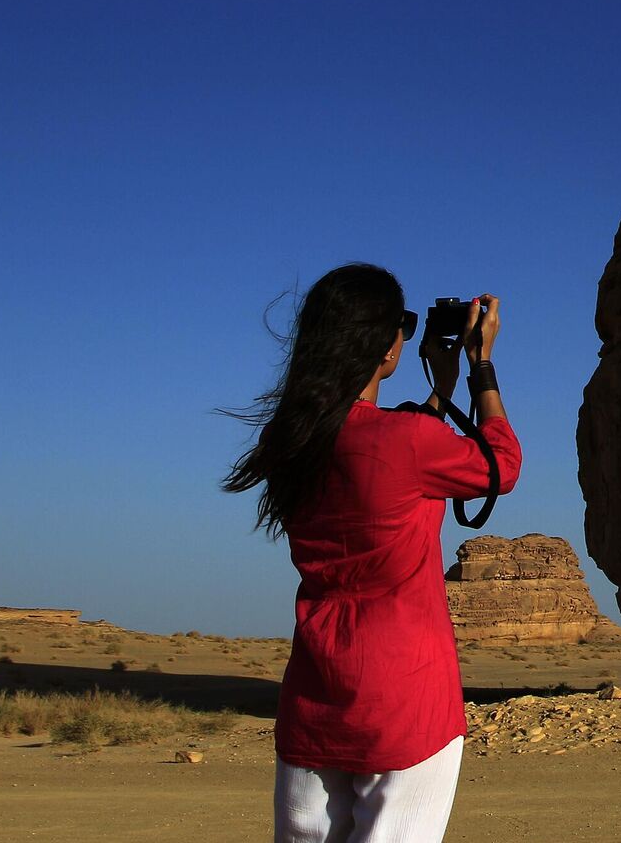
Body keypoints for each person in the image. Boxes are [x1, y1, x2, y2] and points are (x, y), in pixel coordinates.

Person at [223, 263, 521, 842]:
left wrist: (441, 389)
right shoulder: (406, 441)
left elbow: (383, 454)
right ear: (385, 346)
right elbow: (501, 465)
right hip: (406, 698)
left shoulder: (288, 441)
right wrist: (481, 365)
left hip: (314, 694)